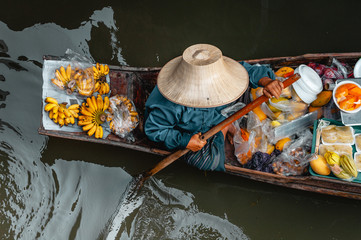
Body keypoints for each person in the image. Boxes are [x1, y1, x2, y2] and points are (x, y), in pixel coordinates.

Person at [144, 44, 283, 172]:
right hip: (192, 132)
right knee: (209, 162)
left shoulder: (223, 74)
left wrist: (267, 82)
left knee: (247, 86)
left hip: (218, 112)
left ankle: (226, 124)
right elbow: (154, 129)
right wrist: (186, 141)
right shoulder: (172, 105)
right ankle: (225, 127)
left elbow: (249, 71)